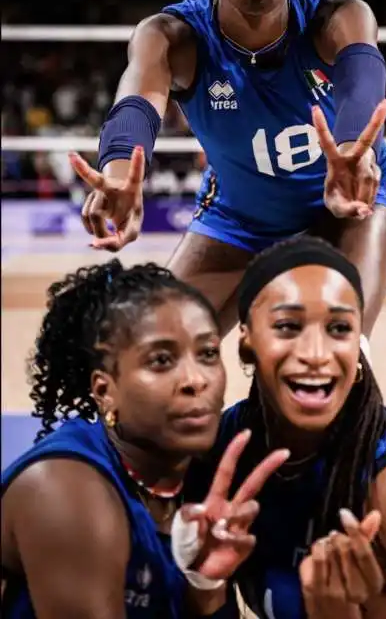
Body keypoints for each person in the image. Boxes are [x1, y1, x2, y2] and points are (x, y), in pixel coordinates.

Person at [70, 0, 386, 340]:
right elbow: (137, 100)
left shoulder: (339, 17)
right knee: (153, 342)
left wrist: (353, 147)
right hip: (239, 215)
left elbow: (363, 78)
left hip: (344, 205)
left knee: (339, 352)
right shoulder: (170, 35)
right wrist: (120, 172)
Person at [176, 237, 386, 618]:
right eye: (287, 326)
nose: (315, 354)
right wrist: (205, 584)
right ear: (246, 341)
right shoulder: (223, 448)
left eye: (339, 328)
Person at [1, 260, 289, 618]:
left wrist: (206, 585)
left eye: (208, 354)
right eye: (161, 360)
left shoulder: (191, 480)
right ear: (105, 391)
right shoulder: (65, 491)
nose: (195, 379)